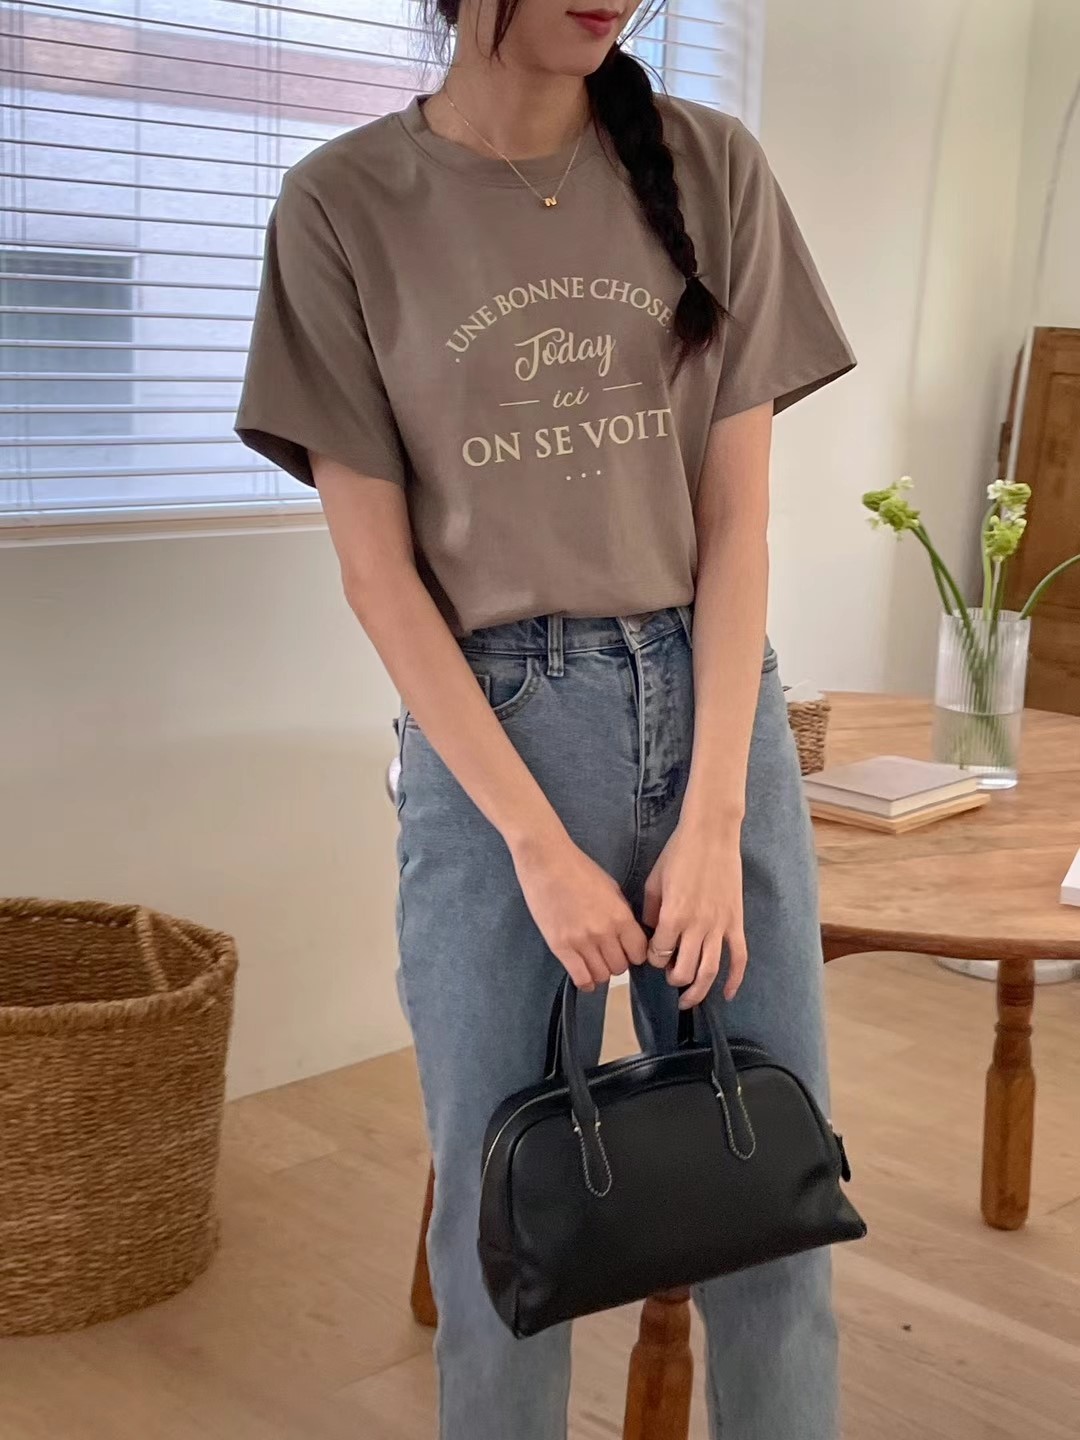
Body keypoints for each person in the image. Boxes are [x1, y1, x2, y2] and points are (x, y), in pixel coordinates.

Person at [236, 2, 856, 1436]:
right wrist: (535, 844)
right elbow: (378, 575)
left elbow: (738, 523)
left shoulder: (713, 166)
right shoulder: (343, 205)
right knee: (505, 1230)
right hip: (496, 731)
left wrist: (715, 813)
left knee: (773, 1190)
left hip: (714, 709)